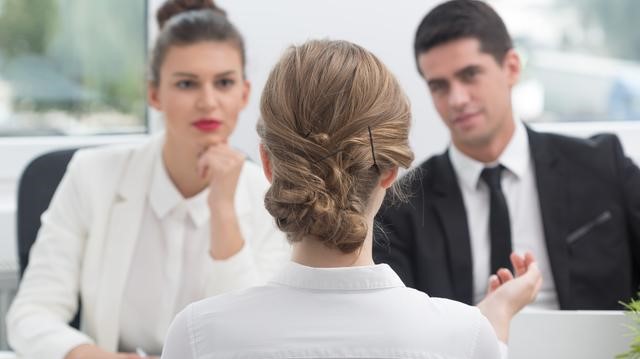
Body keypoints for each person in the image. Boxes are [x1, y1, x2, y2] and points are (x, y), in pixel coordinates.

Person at [160, 39, 541, 359]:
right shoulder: (464, 335)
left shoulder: (197, 335)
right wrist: (495, 321)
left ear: (268, 163)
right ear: (390, 169)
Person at [7, 1, 289, 358]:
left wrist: (222, 212)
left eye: (224, 83)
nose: (208, 101)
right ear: (155, 94)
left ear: (244, 94)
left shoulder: (269, 197)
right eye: (187, 83)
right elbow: (30, 315)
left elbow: (254, 339)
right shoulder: (91, 175)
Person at [373, 0, 640, 310]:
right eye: (439, 86)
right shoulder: (402, 206)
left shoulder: (602, 166)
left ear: (512, 67)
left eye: (470, 75)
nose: (457, 99)